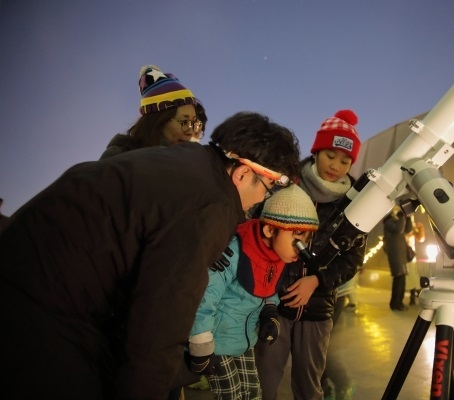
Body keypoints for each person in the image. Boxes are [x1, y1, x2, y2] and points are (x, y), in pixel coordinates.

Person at [0, 111, 301, 400]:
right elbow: (159, 324)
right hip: (44, 307)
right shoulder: (209, 205)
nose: (263, 199)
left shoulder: (187, 163)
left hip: (30, 271)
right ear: (243, 173)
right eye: (269, 187)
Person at [255, 109, 366, 400]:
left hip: (318, 310)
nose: (336, 166)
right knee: (264, 382)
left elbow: (352, 260)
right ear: (316, 151)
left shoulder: (356, 203)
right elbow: (260, 232)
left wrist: (317, 281)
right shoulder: (285, 186)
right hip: (273, 303)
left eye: (345, 161)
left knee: (309, 386)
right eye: (330, 155)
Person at [183, 184, 319, 400]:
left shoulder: (278, 255)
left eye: (306, 239)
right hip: (217, 343)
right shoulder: (235, 252)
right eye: (297, 237)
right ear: (270, 230)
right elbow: (205, 297)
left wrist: (269, 311)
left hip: (244, 340)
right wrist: (201, 346)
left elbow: (267, 287)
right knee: (232, 395)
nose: (301, 247)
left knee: (253, 392)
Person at [100, 65, 208, 159]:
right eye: (184, 121)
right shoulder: (121, 158)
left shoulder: (196, 162)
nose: (191, 131)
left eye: (194, 123)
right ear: (158, 121)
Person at [383, 205, 415, 311]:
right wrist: (402, 216)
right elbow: (399, 229)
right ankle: (395, 303)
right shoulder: (388, 222)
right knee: (399, 278)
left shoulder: (397, 221)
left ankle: (398, 303)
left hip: (401, 254)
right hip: (395, 254)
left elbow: (408, 229)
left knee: (402, 278)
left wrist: (408, 217)